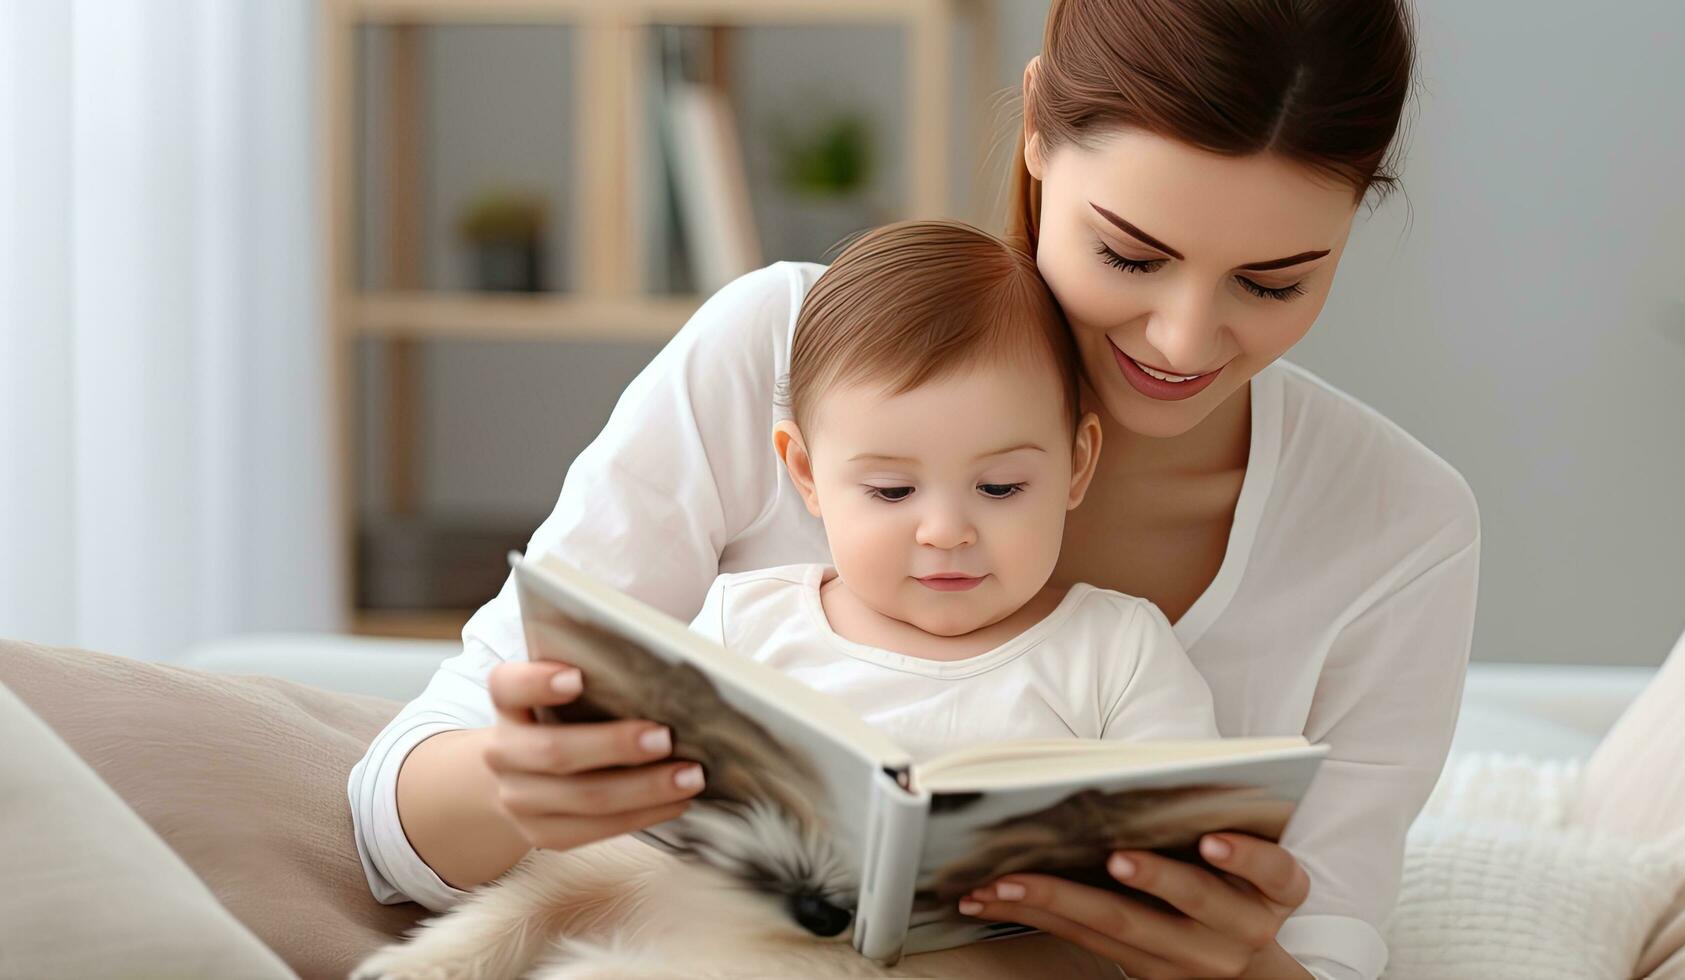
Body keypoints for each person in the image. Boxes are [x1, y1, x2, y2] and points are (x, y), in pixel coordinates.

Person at [350, 2, 1474, 977]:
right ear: (1036, 126)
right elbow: (392, 817)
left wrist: (1234, 960)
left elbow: (1323, 948)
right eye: (1130, 255)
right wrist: (515, 785)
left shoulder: (1396, 530)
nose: (1182, 337)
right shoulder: (776, 355)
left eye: (1272, 282)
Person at [684, 219, 1219, 764]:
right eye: (892, 491)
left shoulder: (1116, 654)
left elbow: (1187, 821)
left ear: (1077, 466)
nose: (945, 532)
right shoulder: (744, 629)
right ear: (805, 472)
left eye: (999, 487)